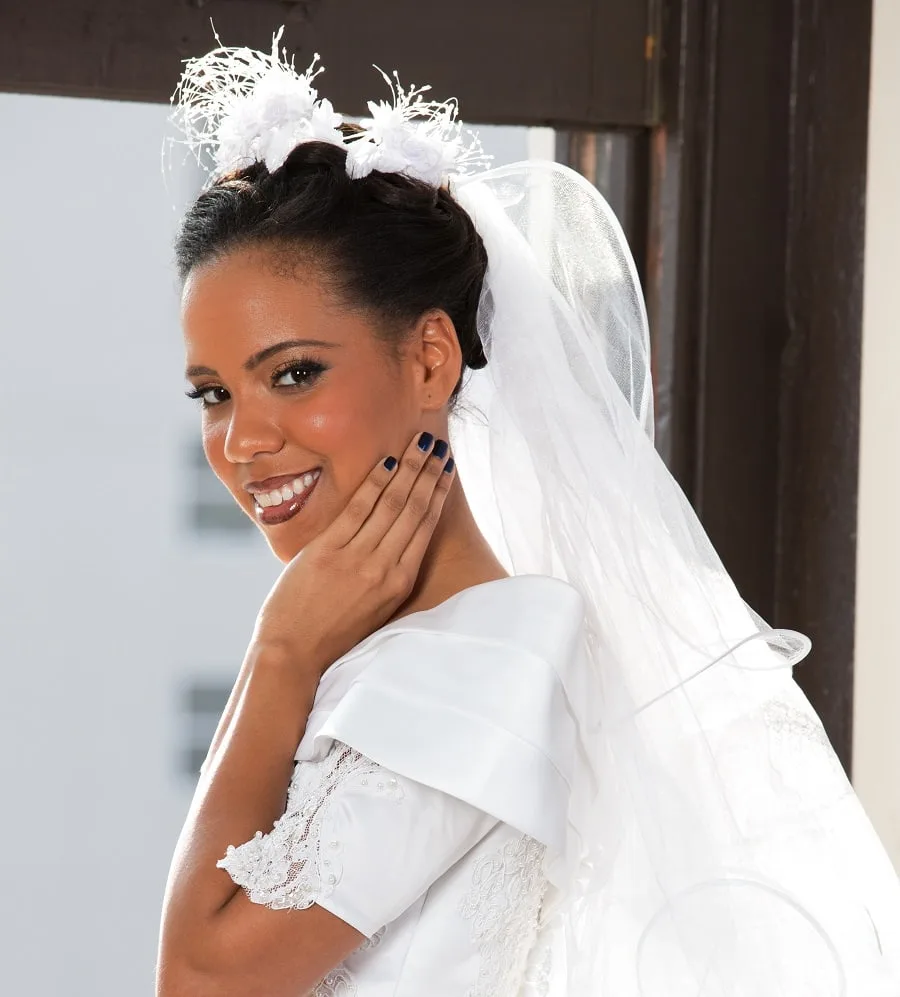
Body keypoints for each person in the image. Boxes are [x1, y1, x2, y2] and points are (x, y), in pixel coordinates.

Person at [156, 29, 900, 997]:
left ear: (430, 359)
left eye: (294, 374)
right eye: (212, 393)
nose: (243, 440)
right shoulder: (420, 652)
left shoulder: (475, 662)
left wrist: (280, 652)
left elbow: (198, 980)